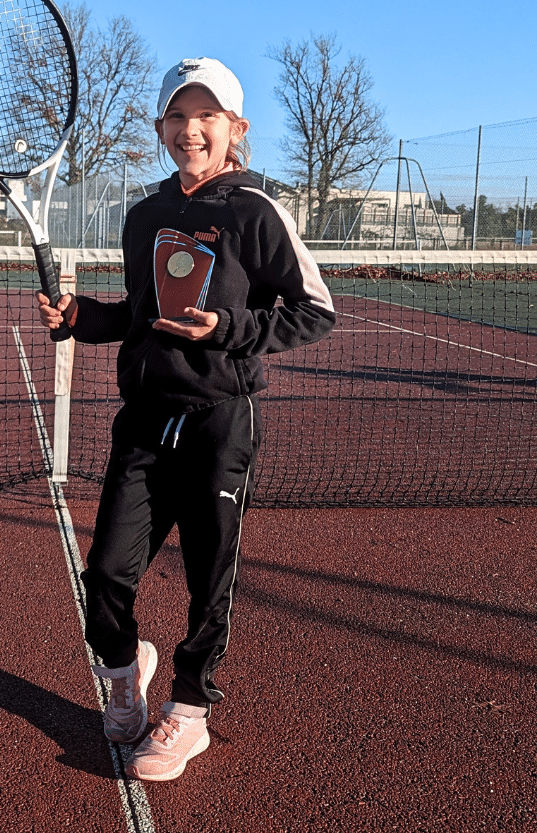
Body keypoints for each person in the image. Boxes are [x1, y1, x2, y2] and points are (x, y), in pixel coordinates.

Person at [36, 57, 336, 781]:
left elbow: (315, 311)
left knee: (210, 578)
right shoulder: (145, 216)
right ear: (161, 127)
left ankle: (191, 710)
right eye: (177, 115)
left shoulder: (257, 212)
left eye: (206, 116)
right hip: (144, 420)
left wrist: (228, 329)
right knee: (105, 572)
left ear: (235, 129)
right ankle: (120, 672)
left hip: (218, 423)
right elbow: (142, 316)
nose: (190, 129)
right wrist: (81, 317)